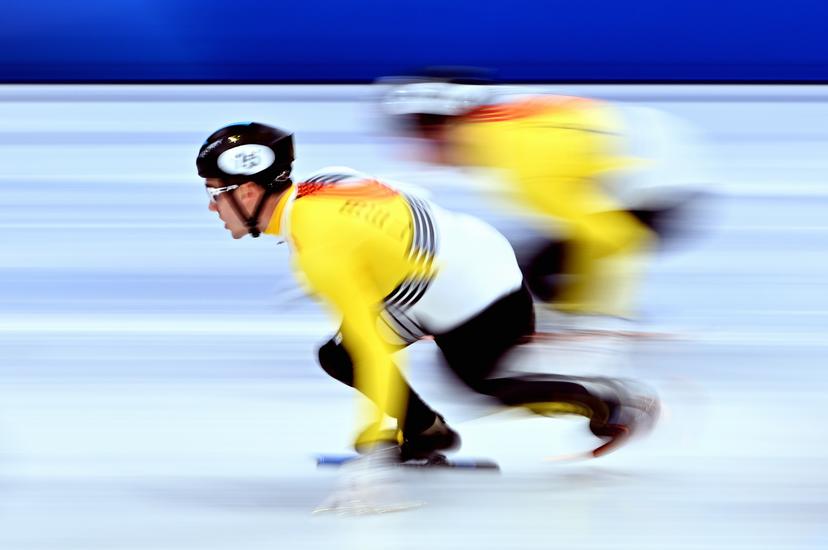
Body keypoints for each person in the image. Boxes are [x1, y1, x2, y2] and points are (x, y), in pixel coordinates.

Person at [195, 122, 658, 469]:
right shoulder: (324, 179)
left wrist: (375, 442)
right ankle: (426, 432)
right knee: (339, 355)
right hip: (462, 256)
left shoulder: (319, 248)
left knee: (483, 385)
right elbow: (411, 194)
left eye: (217, 193)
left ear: (252, 191)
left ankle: (608, 403)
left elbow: (374, 349)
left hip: (472, 293)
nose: (213, 206)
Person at [381, 74, 699, 325]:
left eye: (420, 137)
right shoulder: (500, 130)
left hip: (662, 195)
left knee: (536, 273)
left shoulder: (523, 162)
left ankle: (590, 313)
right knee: (529, 270)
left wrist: (601, 316)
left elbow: (620, 238)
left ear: (448, 128)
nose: (415, 153)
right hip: (656, 173)